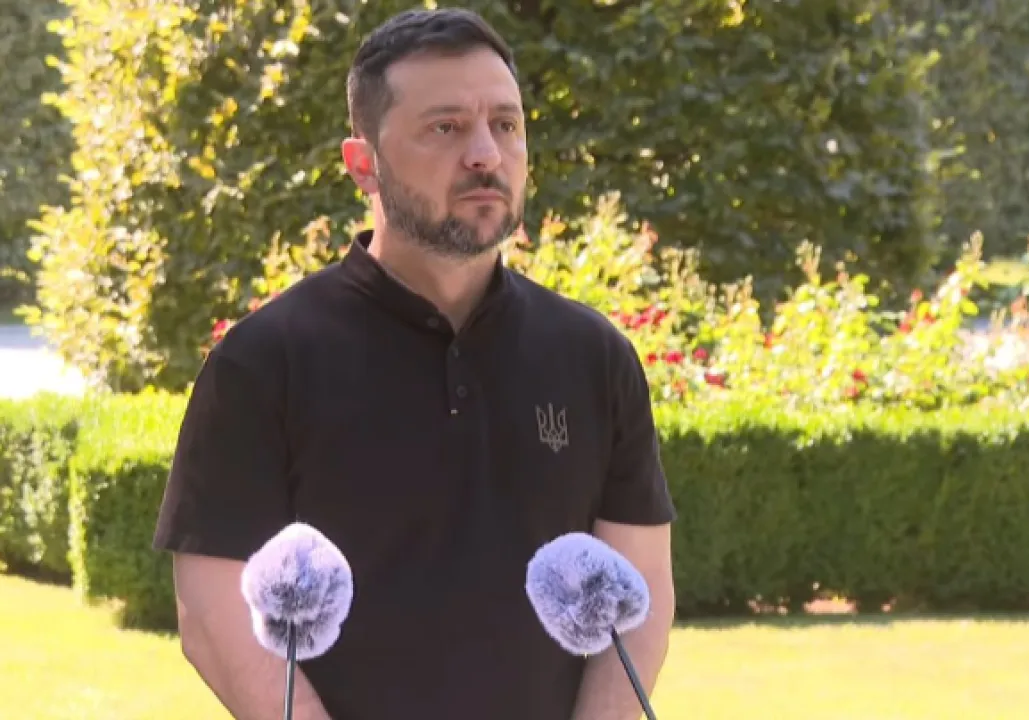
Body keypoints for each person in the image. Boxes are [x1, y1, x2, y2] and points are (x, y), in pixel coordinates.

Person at [151, 7, 677, 720]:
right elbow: (214, 614)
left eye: (506, 124)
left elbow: (641, 600)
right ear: (362, 164)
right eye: (446, 128)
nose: (486, 154)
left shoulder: (594, 356)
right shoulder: (262, 363)